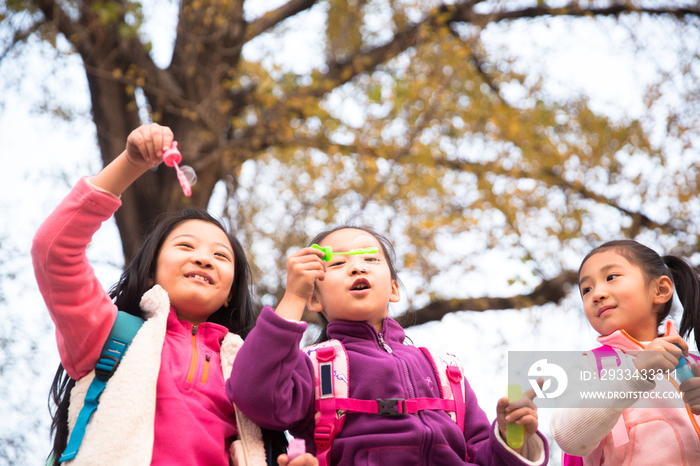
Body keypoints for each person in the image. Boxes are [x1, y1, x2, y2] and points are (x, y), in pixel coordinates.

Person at [32, 123, 318, 466]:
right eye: (185, 246)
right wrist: (131, 163)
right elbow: (54, 251)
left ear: (230, 293)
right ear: (151, 271)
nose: (203, 258)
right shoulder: (108, 335)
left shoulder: (247, 371)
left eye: (221, 256)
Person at [227, 225, 549, 465]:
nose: (357, 266)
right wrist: (292, 297)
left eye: (370, 259)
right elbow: (255, 394)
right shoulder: (313, 366)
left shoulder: (445, 371)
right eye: (337, 264)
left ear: (394, 289)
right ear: (314, 298)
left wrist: (511, 436)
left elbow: (483, 455)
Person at [550, 239, 700, 465]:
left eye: (611, 277)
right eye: (586, 290)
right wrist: (635, 373)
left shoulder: (695, 365)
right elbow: (568, 436)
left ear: (660, 290)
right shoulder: (591, 366)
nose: (596, 294)